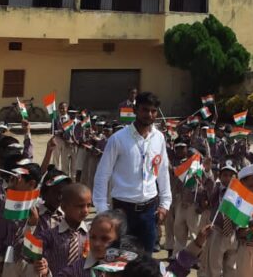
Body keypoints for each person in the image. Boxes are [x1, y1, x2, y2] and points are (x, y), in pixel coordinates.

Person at [93, 91, 172, 253]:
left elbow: (162, 171)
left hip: (150, 211)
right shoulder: (118, 139)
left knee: (145, 262)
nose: (149, 114)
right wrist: (102, 210)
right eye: (144, 110)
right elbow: (102, 174)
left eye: (153, 111)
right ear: (135, 110)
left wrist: (165, 204)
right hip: (122, 211)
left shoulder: (159, 138)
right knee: (119, 261)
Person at [34, 183, 92, 277]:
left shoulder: (92, 235)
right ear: (64, 207)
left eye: (88, 205)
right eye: (80, 206)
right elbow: (30, 253)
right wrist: (41, 263)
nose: (86, 210)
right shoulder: (50, 235)